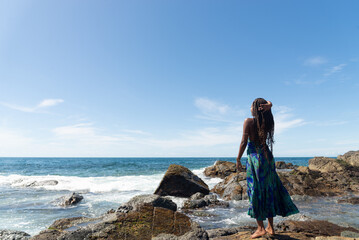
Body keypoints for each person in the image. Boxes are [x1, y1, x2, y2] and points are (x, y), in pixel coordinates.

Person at [236, 98, 299, 239]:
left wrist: (238, 158)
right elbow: (270, 104)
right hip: (267, 158)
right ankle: (270, 227)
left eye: (252, 105)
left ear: (257, 107)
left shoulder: (249, 121)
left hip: (255, 159)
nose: (250, 107)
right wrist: (270, 105)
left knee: (256, 191)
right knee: (269, 190)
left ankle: (260, 228)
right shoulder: (268, 122)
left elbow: (243, 142)